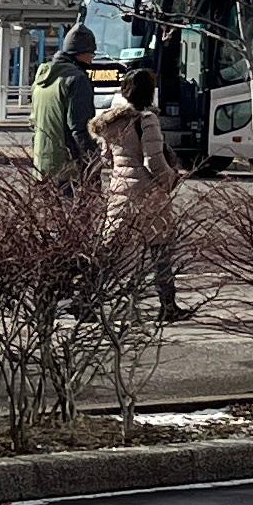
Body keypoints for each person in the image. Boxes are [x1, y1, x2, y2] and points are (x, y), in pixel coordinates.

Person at [90, 52, 183, 318]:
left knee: (110, 248)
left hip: (120, 190)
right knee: (160, 247)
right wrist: (170, 179)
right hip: (148, 193)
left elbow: (107, 157)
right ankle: (168, 305)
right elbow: (153, 161)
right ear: (149, 93)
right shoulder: (147, 120)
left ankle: (88, 298)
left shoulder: (111, 121)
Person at [30, 22, 100, 189]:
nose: (92, 59)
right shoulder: (77, 79)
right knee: (76, 214)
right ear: (81, 53)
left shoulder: (41, 79)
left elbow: (33, 123)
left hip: (42, 164)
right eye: (91, 53)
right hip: (68, 167)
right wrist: (93, 163)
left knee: (48, 214)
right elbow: (79, 128)